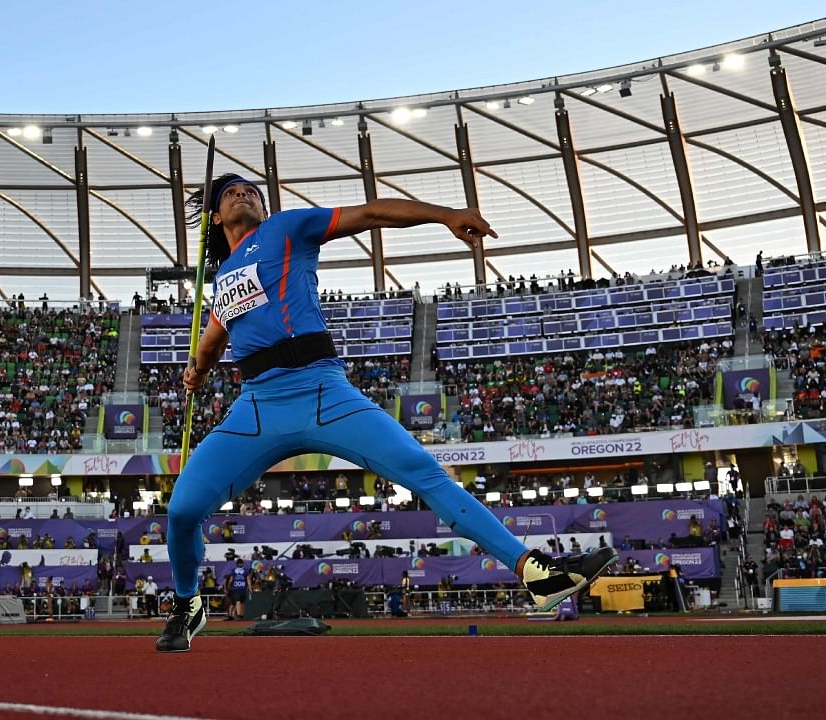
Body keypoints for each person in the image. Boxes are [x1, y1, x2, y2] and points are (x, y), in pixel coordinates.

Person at [157, 174, 616, 652]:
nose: (243, 194)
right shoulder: (223, 278)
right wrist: (198, 372)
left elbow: (372, 213)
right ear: (215, 216)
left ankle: (535, 572)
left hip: (322, 391)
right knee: (183, 510)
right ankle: (188, 604)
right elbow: (212, 341)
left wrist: (445, 215)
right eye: (230, 193)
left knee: (423, 472)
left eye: (251, 190)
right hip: (257, 407)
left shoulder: (287, 229)